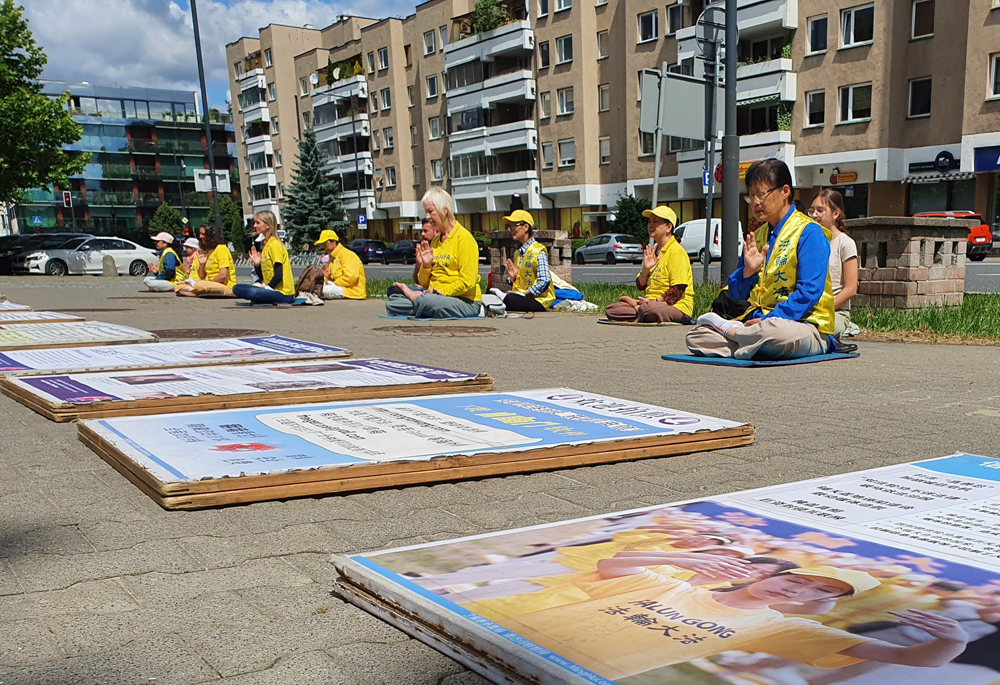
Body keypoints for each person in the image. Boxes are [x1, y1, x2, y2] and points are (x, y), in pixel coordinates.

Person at [492, 559, 970, 681]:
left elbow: (916, 660)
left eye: (818, 593)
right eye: (802, 579)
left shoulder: (786, 628)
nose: (796, 589)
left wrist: (954, 640)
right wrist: (690, 559)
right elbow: (613, 567)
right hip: (511, 643)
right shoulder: (675, 584)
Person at [687, 159, 836, 360]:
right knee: (696, 336)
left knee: (775, 333)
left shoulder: (809, 232)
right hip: (756, 323)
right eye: (751, 196)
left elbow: (809, 293)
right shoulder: (757, 236)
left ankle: (734, 335)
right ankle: (748, 343)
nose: (755, 202)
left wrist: (767, 321)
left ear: (785, 191)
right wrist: (747, 272)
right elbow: (736, 294)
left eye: (761, 194)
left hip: (804, 326)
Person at [386, 188, 482, 318]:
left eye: (430, 211)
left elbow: (467, 282)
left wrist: (440, 292)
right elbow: (424, 283)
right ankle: (421, 302)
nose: (427, 217)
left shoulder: (464, 239)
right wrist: (426, 266)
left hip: (464, 301)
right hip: (432, 296)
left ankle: (420, 301)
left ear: (445, 210)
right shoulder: (435, 241)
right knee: (393, 302)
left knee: (427, 301)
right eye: (426, 212)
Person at [605, 206, 694, 323]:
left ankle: (639, 309)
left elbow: (678, 290)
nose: (651, 225)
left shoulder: (676, 251)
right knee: (613, 310)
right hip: (649, 304)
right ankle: (641, 310)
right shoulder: (654, 251)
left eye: (655, 222)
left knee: (651, 310)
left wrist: (655, 303)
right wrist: (645, 270)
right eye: (649, 221)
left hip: (675, 307)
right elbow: (640, 285)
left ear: (668, 227)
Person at [810, 189, 860, 340]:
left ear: (836, 214)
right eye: (811, 211)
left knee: (812, 333)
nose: (814, 215)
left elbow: (851, 289)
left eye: (820, 210)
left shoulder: (845, 243)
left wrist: (825, 309)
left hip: (835, 312)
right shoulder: (809, 243)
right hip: (809, 309)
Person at [497, 209, 554, 313]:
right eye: (510, 227)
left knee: (509, 299)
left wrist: (524, 293)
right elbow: (520, 281)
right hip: (523, 297)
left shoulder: (538, 251)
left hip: (538, 300)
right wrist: (513, 279)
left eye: (514, 226)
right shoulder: (518, 253)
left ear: (526, 227)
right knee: (493, 295)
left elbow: (545, 280)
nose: (511, 230)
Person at [232, 211, 295, 305]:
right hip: (270, 289)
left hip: (283, 293)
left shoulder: (275, 245)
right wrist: (257, 265)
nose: (254, 225)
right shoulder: (265, 245)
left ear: (267, 225)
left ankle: (264, 298)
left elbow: (279, 275)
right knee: (237, 288)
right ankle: (263, 298)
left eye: (257, 223)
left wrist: (267, 288)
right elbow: (263, 277)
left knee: (253, 292)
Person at [176, 223, 236, 298]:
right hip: (208, 284)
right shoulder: (209, 251)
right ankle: (199, 292)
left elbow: (222, 275)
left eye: (203, 234)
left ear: (211, 236)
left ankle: (198, 291)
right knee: (179, 285)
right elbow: (202, 276)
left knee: (199, 284)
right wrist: (202, 264)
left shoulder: (221, 248)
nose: (200, 237)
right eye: (200, 234)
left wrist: (209, 283)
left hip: (224, 285)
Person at [315, 228, 366, 300]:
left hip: (353, 291)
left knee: (323, 290)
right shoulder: (332, 256)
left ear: (334, 242)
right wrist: (328, 277)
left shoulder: (347, 255)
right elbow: (334, 278)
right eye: (322, 244)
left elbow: (351, 277)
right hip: (340, 287)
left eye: (325, 243)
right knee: (317, 287)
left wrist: (334, 283)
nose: (324, 246)